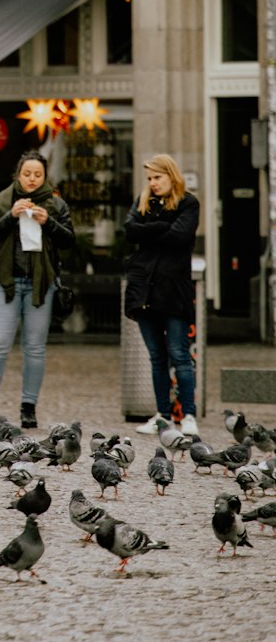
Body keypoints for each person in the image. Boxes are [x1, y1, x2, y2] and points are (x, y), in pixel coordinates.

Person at [0, 150, 74, 431]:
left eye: (38, 174)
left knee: (34, 348)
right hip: (6, 282)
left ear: (45, 176)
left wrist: (49, 222)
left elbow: (69, 240)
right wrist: (10, 217)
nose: (32, 179)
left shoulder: (56, 204)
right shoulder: (3, 199)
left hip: (41, 285)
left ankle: (28, 409)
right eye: (27, 174)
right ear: (18, 175)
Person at [123, 153, 200, 437]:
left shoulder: (188, 203)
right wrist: (159, 228)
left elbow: (179, 237)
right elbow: (129, 231)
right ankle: (163, 415)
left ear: (171, 175)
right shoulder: (142, 202)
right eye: (150, 179)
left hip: (173, 289)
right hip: (144, 288)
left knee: (179, 354)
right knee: (156, 356)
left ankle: (188, 414)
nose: (153, 183)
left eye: (158, 177)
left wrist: (149, 230)